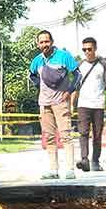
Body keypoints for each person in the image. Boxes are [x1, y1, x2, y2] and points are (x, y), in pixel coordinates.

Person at [29, 30, 80, 180]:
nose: (44, 44)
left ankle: (70, 169)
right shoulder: (37, 60)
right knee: (49, 137)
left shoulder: (63, 56)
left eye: (47, 41)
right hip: (44, 104)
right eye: (41, 42)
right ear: (38, 44)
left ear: (52, 42)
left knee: (66, 135)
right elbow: (31, 75)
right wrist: (39, 86)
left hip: (60, 102)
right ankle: (53, 170)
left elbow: (78, 74)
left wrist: (69, 91)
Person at [72, 37, 106, 172]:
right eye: (84, 50)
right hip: (83, 104)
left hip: (98, 104)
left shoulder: (103, 64)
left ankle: (95, 161)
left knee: (97, 134)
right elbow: (76, 86)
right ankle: (84, 160)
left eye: (89, 49)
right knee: (83, 132)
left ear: (95, 48)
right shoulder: (79, 65)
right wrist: (72, 103)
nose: (87, 52)